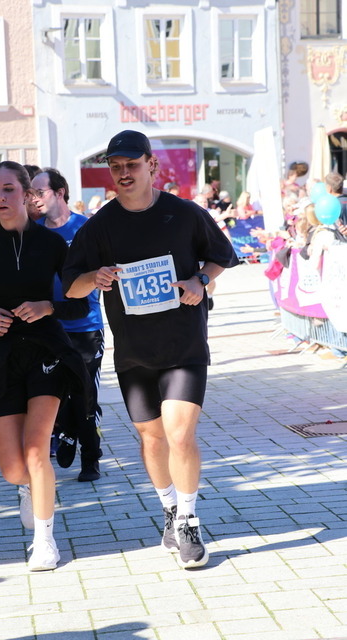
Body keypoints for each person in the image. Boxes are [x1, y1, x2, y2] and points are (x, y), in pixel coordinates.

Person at [62, 130, 239, 569]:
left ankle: (190, 523)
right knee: (152, 438)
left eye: (132, 164)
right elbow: (71, 285)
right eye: (116, 167)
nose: (124, 173)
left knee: (179, 434)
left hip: (184, 345)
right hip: (134, 354)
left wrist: (200, 281)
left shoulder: (185, 214)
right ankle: (169, 510)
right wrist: (95, 278)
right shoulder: (99, 226)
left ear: (152, 165)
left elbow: (221, 256)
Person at [0, 161, 89, 572]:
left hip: (46, 351)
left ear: (27, 195)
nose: (0, 197)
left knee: (36, 449)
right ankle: (29, 488)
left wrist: (49, 306)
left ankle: (45, 542)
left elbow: (79, 303)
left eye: (8, 189)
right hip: (0, 357)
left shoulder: (52, 245)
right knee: (14, 468)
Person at [31, 168, 105, 482]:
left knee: (85, 395)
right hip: (48, 328)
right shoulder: (32, 231)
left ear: (60, 192)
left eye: (40, 192)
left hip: (86, 326)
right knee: (53, 393)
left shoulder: (86, 227)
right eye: (31, 194)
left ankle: (90, 459)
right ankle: (67, 430)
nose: (34, 199)